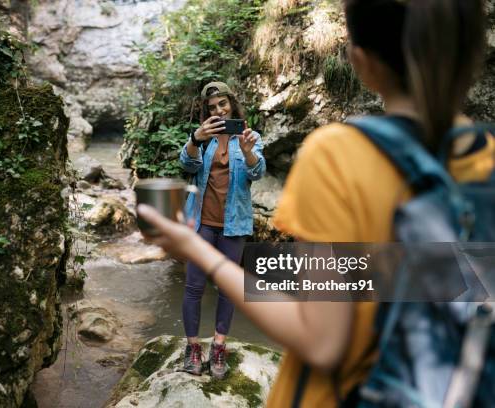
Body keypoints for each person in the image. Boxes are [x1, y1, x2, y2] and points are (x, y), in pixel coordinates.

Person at [139, 0, 493, 406]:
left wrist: (192, 249)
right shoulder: (489, 159)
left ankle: (216, 345)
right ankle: (194, 346)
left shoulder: (336, 155)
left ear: (359, 61)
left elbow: (324, 342)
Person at [179, 81, 266, 378]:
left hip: (235, 225)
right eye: (213, 107)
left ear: (232, 104)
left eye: (223, 104)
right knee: (193, 287)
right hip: (201, 223)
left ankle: (218, 346)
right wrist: (194, 138)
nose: (219, 110)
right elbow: (187, 164)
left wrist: (248, 151)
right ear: (207, 112)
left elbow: (258, 171)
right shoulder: (204, 138)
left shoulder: (250, 136)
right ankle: (192, 347)